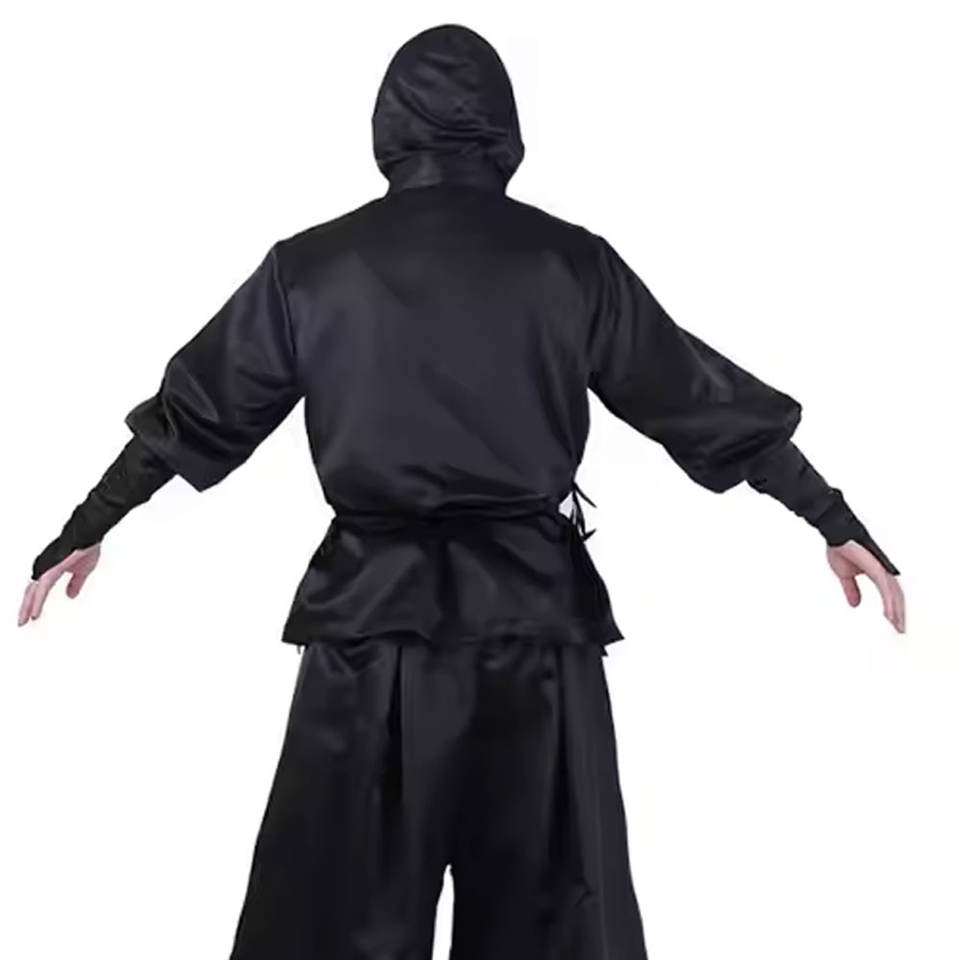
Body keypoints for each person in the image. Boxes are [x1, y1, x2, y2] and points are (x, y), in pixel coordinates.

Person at [18, 22, 905, 960]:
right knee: (553, 928)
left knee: (331, 925)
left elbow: (192, 412)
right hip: (534, 635)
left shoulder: (314, 268)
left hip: (371, 631)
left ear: (388, 125)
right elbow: (695, 398)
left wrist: (90, 524)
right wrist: (829, 515)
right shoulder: (568, 262)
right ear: (506, 129)